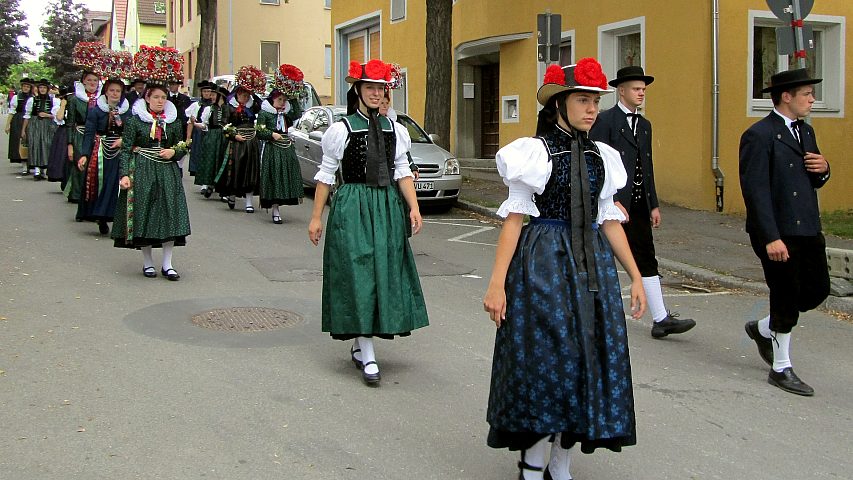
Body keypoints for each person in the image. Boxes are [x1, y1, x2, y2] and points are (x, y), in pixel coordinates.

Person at [483, 59, 646, 480]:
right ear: (559, 103)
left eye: (595, 101)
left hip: (592, 267)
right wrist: (496, 284)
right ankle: (533, 463)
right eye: (582, 100)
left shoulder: (603, 157)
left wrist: (635, 275)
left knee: (585, 360)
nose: (592, 109)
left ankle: (562, 462)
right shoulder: (534, 153)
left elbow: (608, 219)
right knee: (546, 361)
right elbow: (515, 220)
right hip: (543, 263)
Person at [308, 59, 428, 386]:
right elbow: (325, 174)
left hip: (387, 206)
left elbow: (402, 171)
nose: (376, 94)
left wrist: (414, 208)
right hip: (352, 206)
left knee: (382, 273)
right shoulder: (342, 129)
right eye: (370, 87)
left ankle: (363, 347)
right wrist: (317, 217)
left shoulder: (396, 129)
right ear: (358, 90)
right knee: (358, 273)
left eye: (381, 88)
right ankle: (368, 354)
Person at [739, 68, 830, 397]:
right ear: (786, 97)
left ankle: (763, 328)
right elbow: (755, 191)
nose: (812, 99)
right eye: (807, 93)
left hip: (806, 226)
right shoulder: (759, 135)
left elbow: (812, 178)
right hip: (777, 230)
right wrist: (770, 237)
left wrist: (825, 169)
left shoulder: (805, 133)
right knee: (786, 294)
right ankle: (781, 368)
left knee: (817, 290)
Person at [589, 66, 695, 339]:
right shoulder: (605, 121)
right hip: (612, 204)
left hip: (637, 204)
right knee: (601, 256)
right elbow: (597, 162)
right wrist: (610, 199)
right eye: (636, 89)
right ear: (621, 90)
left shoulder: (645, 125)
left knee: (646, 257)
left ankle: (660, 318)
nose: (641, 94)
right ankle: (593, 316)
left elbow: (646, 167)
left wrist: (653, 204)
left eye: (643, 90)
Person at [111, 82, 191, 281]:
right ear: (147, 98)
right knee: (144, 214)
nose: (160, 101)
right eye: (156, 97)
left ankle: (167, 264)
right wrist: (124, 175)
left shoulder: (172, 122)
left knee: (169, 214)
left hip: (167, 172)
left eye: (163, 97)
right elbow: (127, 149)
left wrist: (174, 152)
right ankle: (147, 263)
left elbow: (181, 146)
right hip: (142, 170)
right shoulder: (136, 121)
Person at [76, 78, 131, 234]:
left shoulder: (128, 111)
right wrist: (84, 155)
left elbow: (133, 131)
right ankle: (101, 216)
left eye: (118, 91)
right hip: (100, 150)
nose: (115, 93)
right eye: (112, 90)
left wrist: (123, 140)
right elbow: (88, 133)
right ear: (106, 92)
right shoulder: (96, 111)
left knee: (117, 184)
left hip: (121, 150)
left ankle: (117, 217)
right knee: (101, 182)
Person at [256, 65, 304, 224]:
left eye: (284, 100)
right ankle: (275, 208)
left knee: (287, 175)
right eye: (279, 99)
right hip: (273, 149)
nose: (282, 103)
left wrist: (293, 96)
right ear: (272, 100)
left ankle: (283, 200)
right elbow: (259, 132)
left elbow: (297, 113)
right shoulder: (265, 113)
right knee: (274, 177)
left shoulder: (286, 112)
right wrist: (271, 134)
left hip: (286, 148)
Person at [216, 81, 262, 212]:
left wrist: (254, 92)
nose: (246, 97)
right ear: (237, 94)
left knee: (250, 170)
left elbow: (263, 106)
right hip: (236, 143)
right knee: (236, 169)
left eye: (248, 95)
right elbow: (224, 125)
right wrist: (234, 135)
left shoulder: (253, 106)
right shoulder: (229, 106)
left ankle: (249, 201)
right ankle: (232, 194)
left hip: (251, 142)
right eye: (243, 94)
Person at [65, 71, 102, 203]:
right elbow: (69, 123)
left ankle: (91, 196)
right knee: (80, 164)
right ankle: (77, 196)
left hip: (96, 136)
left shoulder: (101, 99)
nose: (92, 83)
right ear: (84, 82)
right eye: (89, 80)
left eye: (95, 80)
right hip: (80, 135)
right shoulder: (75, 99)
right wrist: (69, 144)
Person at [193, 86, 229, 198]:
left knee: (223, 162)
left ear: (220, 97)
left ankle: (222, 189)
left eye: (214, 95)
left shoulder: (228, 109)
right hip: (212, 137)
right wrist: (195, 124)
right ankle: (208, 184)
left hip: (225, 137)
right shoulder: (209, 109)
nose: (211, 97)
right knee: (210, 160)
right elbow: (205, 125)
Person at [21, 79, 59, 180]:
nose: (42, 89)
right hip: (35, 124)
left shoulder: (53, 101)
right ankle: (37, 170)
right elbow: (27, 115)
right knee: (35, 145)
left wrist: (47, 115)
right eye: (40, 87)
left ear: (48, 89)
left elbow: (57, 116)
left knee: (47, 145)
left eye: (44, 88)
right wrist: (23, 130)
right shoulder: (32, 100)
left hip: (48, 125)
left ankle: (44, 169)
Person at [378, 91, 419, 180]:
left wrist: (412, 167)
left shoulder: (395, 127)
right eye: (382, 103)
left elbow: (403, 151)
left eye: (386, 103)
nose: (385, 106)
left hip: (393, 173)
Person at [185, 80, 214, 178]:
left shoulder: (214, 106)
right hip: (198, 134)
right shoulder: (196, 105)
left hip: (211, 133)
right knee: (199, 155)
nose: (207, 93)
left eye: (209, 91)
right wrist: (188, 138)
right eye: (205, 91)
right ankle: (201, 178)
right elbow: (190, 123)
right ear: (201, 93)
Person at [6, 78, 34, 171]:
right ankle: (24, 165)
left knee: (31, 142)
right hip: (18, 120)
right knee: (20, 142)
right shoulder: (16, 97)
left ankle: (31, 162)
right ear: (21, 87)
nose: (26, 88)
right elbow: (11, 112)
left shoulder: (33, 97)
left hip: (30, 120)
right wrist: (7, 125)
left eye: (28, 87)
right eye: (24, 86)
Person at [46, 85, 73, 183]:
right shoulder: (60, 107)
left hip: (76, 131)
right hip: (63, 132)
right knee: (62, 156)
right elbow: (59, 118)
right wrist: (63, 105)